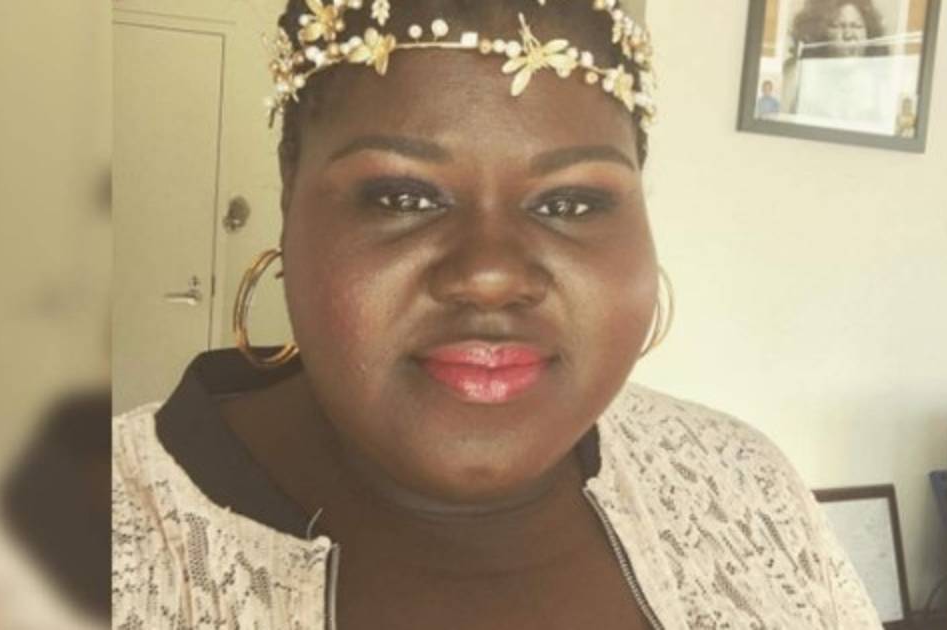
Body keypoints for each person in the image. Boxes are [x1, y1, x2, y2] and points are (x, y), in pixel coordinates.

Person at [113, 1, 883, 628]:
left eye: (570, 203)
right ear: (290, 194)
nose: (489, 276)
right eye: (403, 197)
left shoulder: (744, 485)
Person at [780, 0, 891, 113]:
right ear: (819, 32)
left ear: (869, 33)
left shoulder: (879, 82)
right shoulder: (800, 73)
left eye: (857, 26)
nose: (848, 35)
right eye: (837, 25)